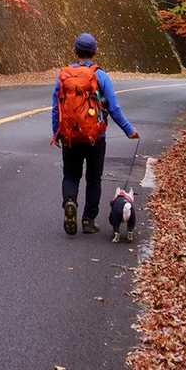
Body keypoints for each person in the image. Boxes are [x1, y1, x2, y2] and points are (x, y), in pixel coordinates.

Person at [51, 32, 138, 236]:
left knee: (70, 175)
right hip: (95, 137)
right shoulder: (101, 76)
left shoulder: (64, 76)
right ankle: (88, 221)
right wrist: (129, 130)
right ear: (94, 52)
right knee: (94, 178)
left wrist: (56, 133)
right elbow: (114, 108)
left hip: (70, 136)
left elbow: (56, 108)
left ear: (75, 51)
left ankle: (70, 202)